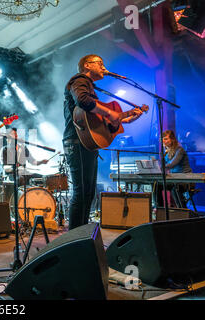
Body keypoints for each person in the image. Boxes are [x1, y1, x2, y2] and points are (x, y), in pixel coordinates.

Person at [62, 54, 143, 230]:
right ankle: (73, 238)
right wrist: (109, 113)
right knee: (81, 191)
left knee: (88, 192)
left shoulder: (93, 89)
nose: (103, 67)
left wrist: (126, 118)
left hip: (86, 143)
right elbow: (82, 101)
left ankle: (81, 234)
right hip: (76, 141)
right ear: (87, 65)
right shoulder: (79, 80)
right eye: (100, 63)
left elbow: (103, 124)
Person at [161, 130, 193, 207]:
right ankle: (160, 209)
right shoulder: (166, 152)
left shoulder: (180, 150)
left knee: (175, 188)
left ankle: (182, 210)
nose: (163, 141)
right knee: (157, 186)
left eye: (166, 139)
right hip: (175, 179)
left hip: (186, 180)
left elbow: (173, 164)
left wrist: (160, 167)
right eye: (162, 139)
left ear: (172, 139)